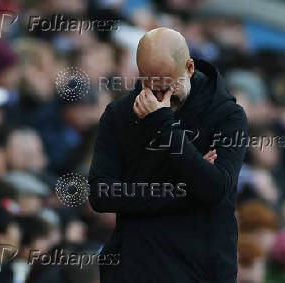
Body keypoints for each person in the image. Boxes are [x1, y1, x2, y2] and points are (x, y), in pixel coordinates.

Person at [88, 27, 248, 282]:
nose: (160, 99)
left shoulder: (228, 116)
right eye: (150, 86)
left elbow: (215, 188)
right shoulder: (119, 113)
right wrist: (183, 192)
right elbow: (101, 194)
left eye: (168, 88)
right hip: (134, 267)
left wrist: (162, 124)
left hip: (200, 270)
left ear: (190, 68)